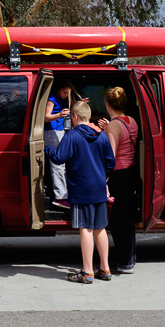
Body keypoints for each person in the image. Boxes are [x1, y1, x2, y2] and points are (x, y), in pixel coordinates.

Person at [45, 101, 115, 284]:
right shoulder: (102, 136)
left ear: (75, 117)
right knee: (100, 229)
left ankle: (87, 272)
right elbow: (111, 163)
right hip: (99, 188)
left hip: (81, 189)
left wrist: (47, 148)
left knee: (86, 228)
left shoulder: (72, 136)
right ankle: (105, 268)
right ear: (88, 116)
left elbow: (59, 158)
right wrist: (102, 177)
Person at [98, 87, 140, 275]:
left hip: (118, 174)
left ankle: (124, 263)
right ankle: (129, 259)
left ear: (107, 104)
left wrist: (104, 179)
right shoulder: (131, 121)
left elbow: (111, 157)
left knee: (118, 220)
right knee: (128, 219)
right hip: (131, 172)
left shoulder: (113, 125)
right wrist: (108, 128)